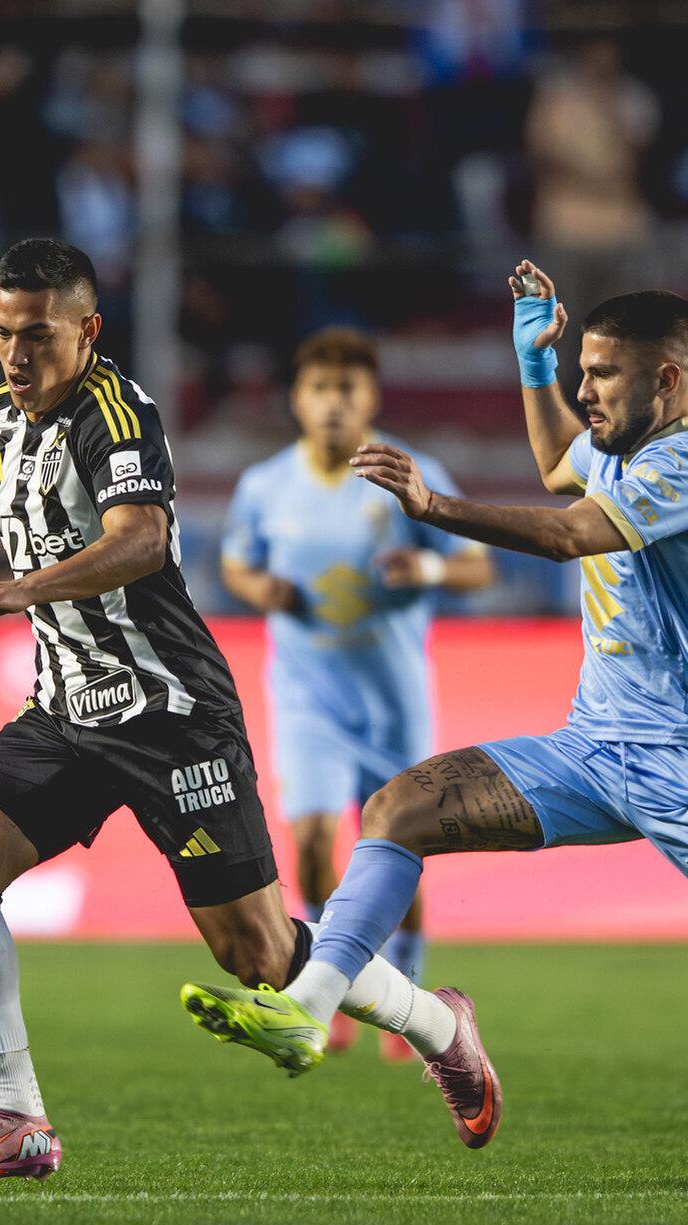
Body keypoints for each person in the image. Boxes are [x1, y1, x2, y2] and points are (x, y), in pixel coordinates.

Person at [182, 263, 688, 1199]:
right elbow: (558, 464)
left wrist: (433, 509)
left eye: (601, 375)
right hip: (589, 748)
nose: (587, 392)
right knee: (397, 807)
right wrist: (532, 366)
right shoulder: (623, 440)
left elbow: (568, 531)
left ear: (667, 379)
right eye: (582, 372)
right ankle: (310, 1005)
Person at [0, 239, 447, 1188]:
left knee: (257, 952)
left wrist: (25, 587)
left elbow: (141, 542)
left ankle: (436, 1024)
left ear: (87, 331)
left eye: (38, 335)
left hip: (172, 711)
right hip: (66, 713)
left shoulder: (115, 412)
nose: (16, 356)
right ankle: (17, 1117)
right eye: (3, 334)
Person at [221, 327, 491, 1060]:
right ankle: (331, 980)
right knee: (309, 844)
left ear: (370, 397)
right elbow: (236, 563)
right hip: (309, 701)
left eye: (348, 389)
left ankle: (406, 985)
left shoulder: (412, 471)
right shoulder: (266, 485)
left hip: (393, 700)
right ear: (297, 399)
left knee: (399, 843)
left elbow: (477, 566)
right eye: (320, 389)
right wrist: (260, 587)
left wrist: (430, 573)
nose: (334, 403)